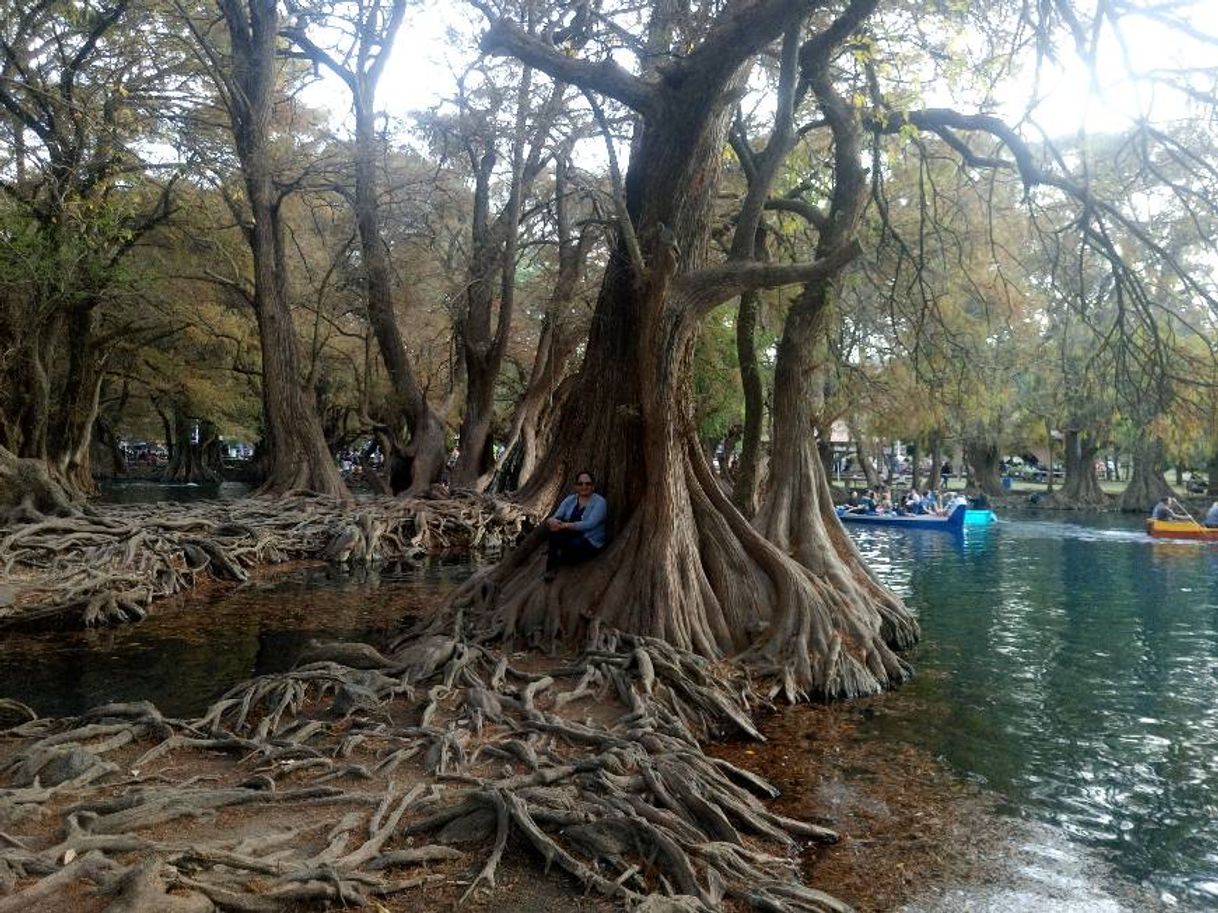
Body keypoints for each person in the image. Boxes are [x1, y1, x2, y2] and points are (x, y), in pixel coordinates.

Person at [544, 471, 608, 581]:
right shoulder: (570, 499)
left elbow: (590, 524)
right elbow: (557, 515)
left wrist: (565, 525)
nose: (584, 486)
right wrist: (551, 521)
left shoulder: (600, 502)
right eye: (580, 484)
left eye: (588, 484)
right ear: (576, 486)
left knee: (574, 546)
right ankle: (550, 567)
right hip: (571, 535)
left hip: (589, 540)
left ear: (593, 486)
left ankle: (562, 555)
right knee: (553, 533)